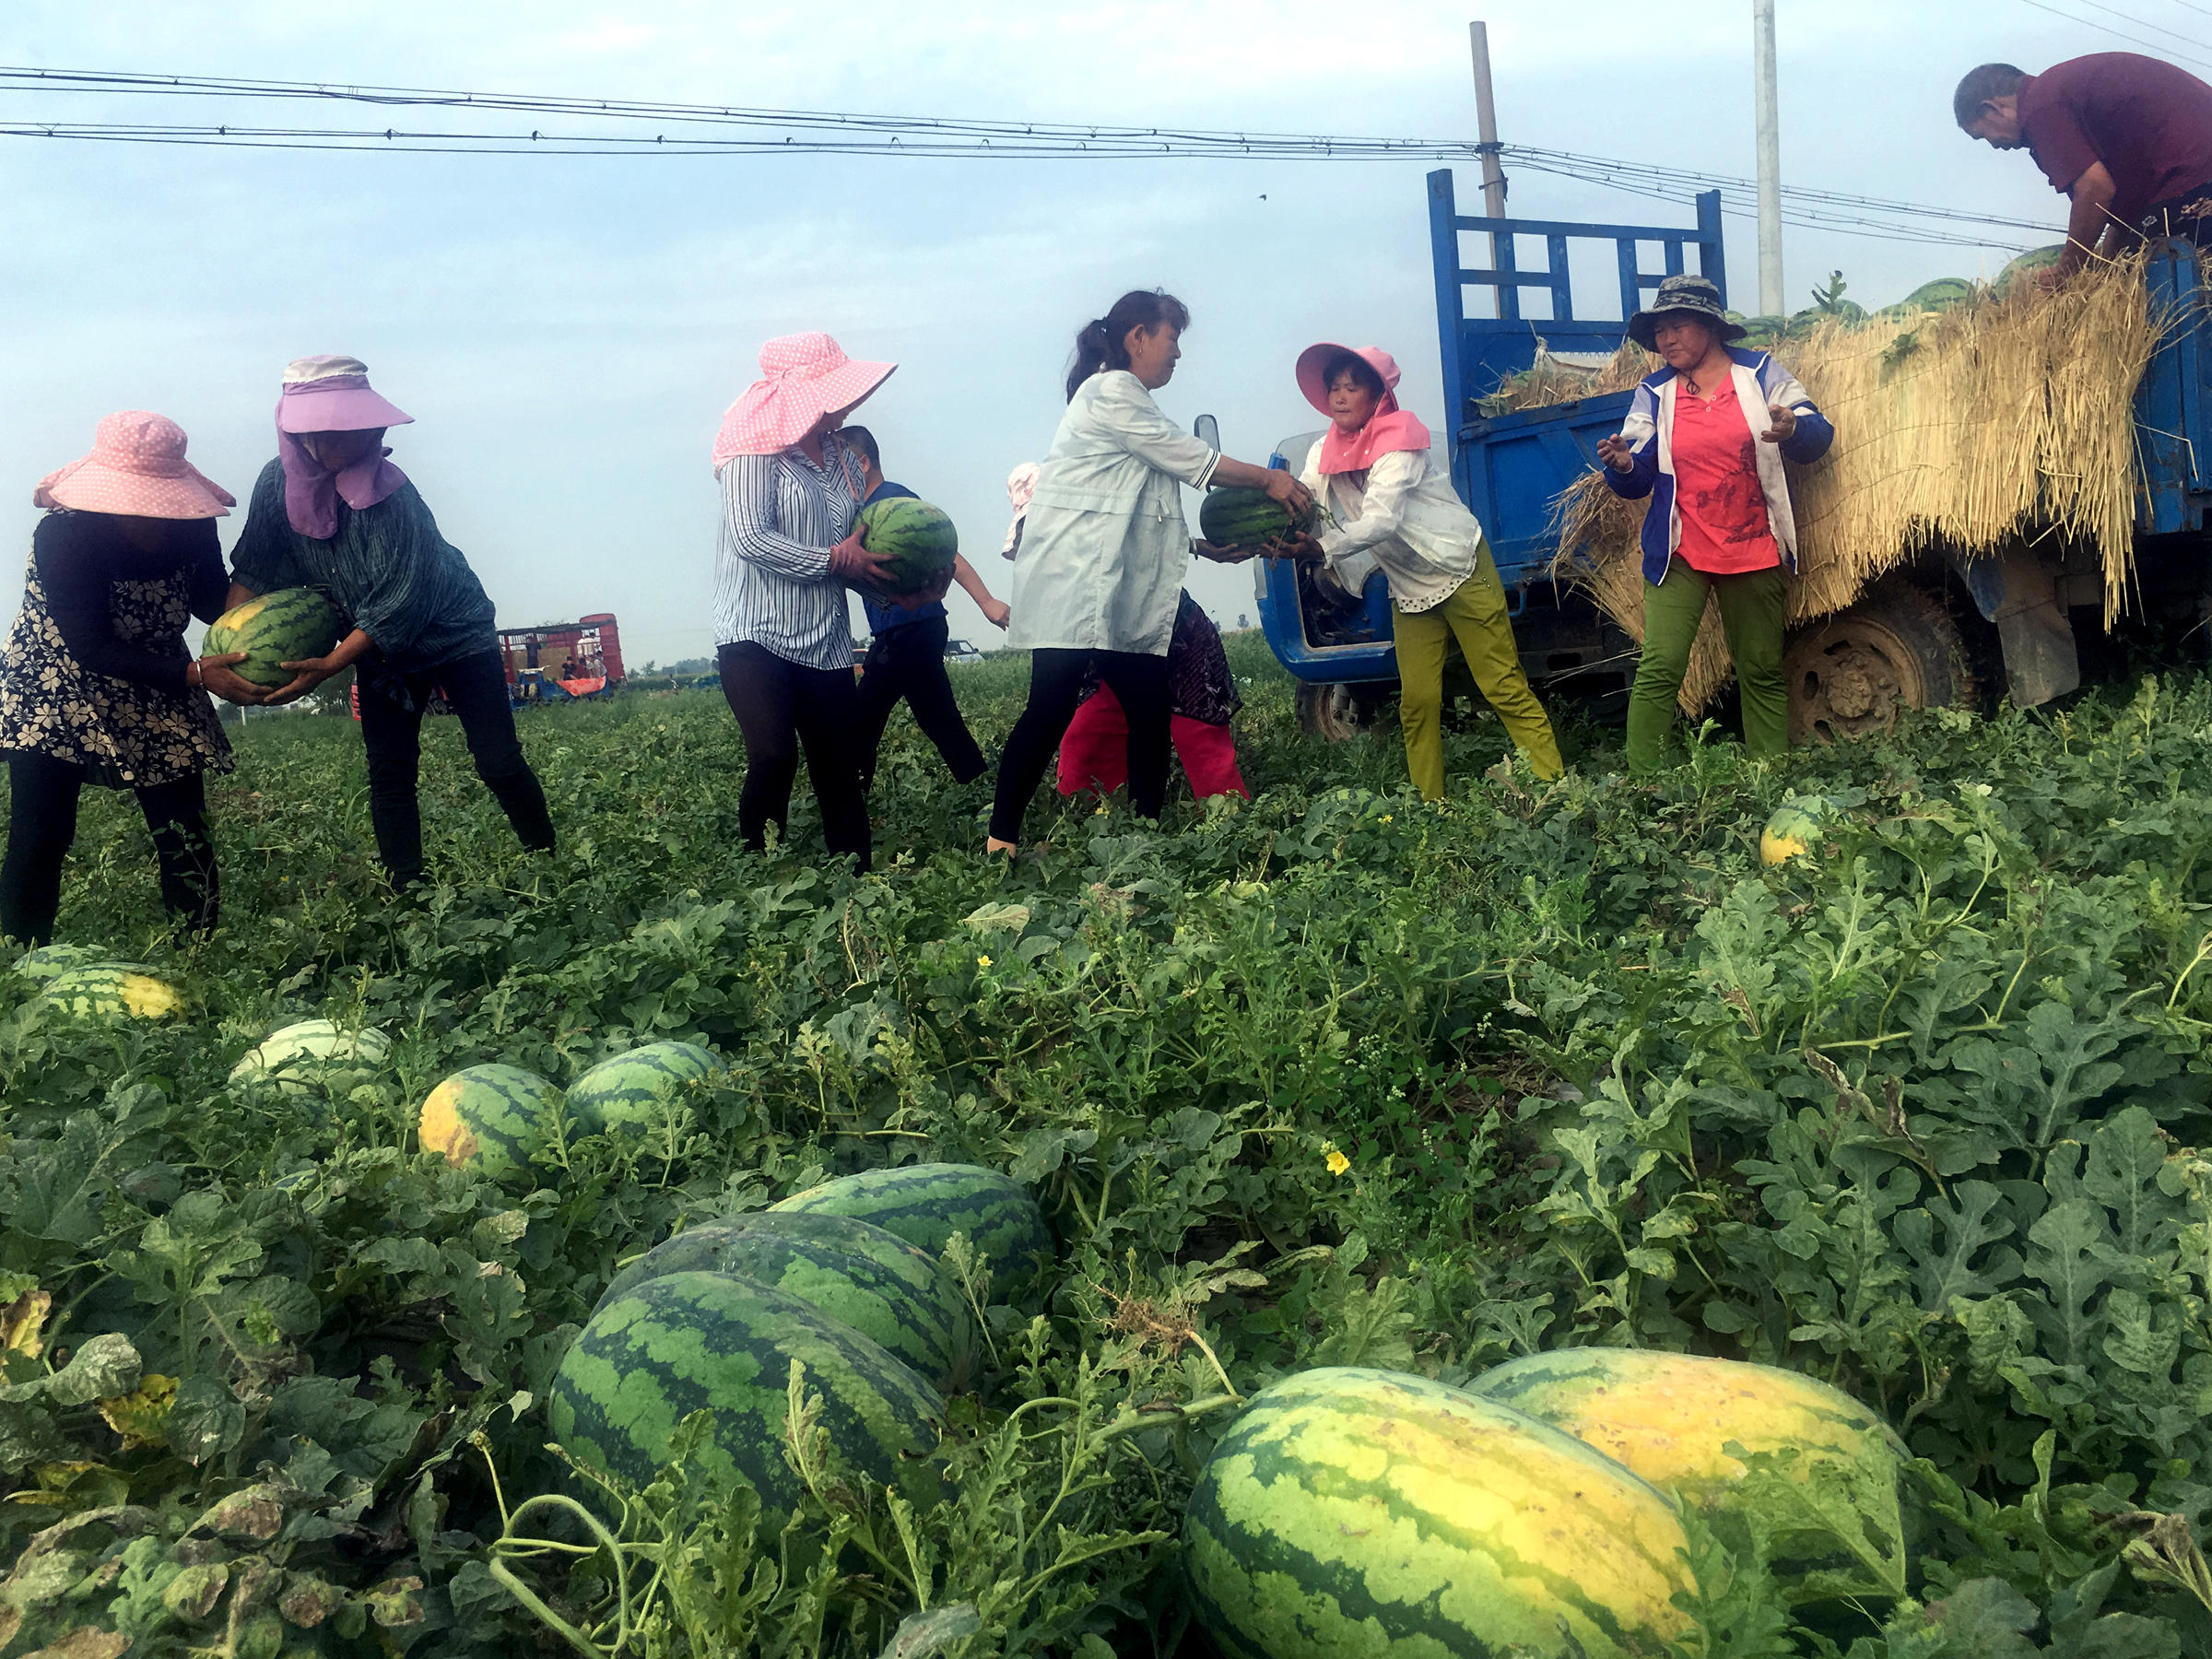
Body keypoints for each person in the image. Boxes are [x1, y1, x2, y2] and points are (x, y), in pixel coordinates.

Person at [987, 289, 1310, 853]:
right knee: (1051, 705)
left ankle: (1144, 835)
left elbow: (1138, 505)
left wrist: (1205, 549)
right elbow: (1188, 458)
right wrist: (1268, 479)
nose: (1177, 353)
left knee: (1149, 708)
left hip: (1107, 586)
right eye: (1172, 338)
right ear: (1138, 337)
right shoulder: (1113, 390)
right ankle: (1001, 841)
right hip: (1075, 582)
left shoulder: (1125, 397)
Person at [226, 355, 557, 888]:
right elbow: (255, 566)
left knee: (497, 760)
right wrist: (232, 647)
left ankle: (549, 860)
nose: (334, 443)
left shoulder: (394, 497)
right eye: (319, 431)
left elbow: (400, 598)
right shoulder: (275, 486)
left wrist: (332, 662)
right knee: (390, 772)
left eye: (349, 429)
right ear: (294, 431)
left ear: (372, 426)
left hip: (454, 635)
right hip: (378, 650)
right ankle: (408, 891)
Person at [0, 413, 258, 944]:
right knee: (41, 834)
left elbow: (211, 601)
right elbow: (89, 644)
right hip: (55, 685)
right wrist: (194, 672)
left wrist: (258, 600)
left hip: (159, 680)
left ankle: (197, 954)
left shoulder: (191, 524)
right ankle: (19, 961)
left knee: (185, 833)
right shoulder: (65, 534)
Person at [1283, 343, 1561, 797]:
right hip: (1410, 588)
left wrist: (1321, 546)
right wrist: (1269, 530)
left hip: (1460, 568)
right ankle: (1431, 803)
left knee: (1502, 686)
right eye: (1334, 388)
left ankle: (1555, 786)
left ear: (1377, 395)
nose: (1339, 396)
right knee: (1418, 702)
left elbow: (1380, 519)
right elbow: (1307, 499)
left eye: (1352, 387)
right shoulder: (1324, 450)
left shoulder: (1400, 440)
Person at [1594, 275, 1834, 774]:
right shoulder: (1653, 392)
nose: (1667, 339)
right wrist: (1621, 465)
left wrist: (1793, 428)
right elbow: (1639, 475)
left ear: (1710, 327)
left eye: (1678, 326)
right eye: (1660, 330)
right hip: (1682, 549)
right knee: (1660, 668)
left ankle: (1768, 776)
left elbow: (1817, 434)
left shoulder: (1761, 373)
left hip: (1754, 545)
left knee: (1761, 670)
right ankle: (1643, 784)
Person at [710, 333, 899, 869]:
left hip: (825, 636)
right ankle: (757, 871)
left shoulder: (840, 454)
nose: (846, 404)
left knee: (840, 766)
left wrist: (891, 582)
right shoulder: (754, 446)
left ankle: (856, 882)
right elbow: (750, 536)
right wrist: (834, 563)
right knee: (773, 756)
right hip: (756, 630)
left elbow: (853, 543)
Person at [840, 424, 1009, 792]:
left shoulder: (891, 502)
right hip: (912, 629)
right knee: (937, 715)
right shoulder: (859, 513)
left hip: (910, 628)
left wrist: (986, 602)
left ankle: (851, 794)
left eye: (840, 464)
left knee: (863, 717)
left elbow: (948, 555)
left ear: (863, 462)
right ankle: (978, 783)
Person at [1957, 54, 2212, 282]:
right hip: (2191, 175)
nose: (1993, 145)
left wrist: (2067, 269)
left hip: (2197, 180)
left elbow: (2094, 189)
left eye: (1982, 135)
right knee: (2121, 270)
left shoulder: (2039, 107)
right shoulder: (2061, 91)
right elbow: (2121, 214)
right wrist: (2099, 270)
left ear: (1990, 108)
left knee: (2146, 285)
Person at [1055, 589, 1249, 804]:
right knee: (1086, 737)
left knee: (1202, 736)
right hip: (1105, 644)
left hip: (1177, 632)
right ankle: (1085, 820)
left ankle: (1228, 821)